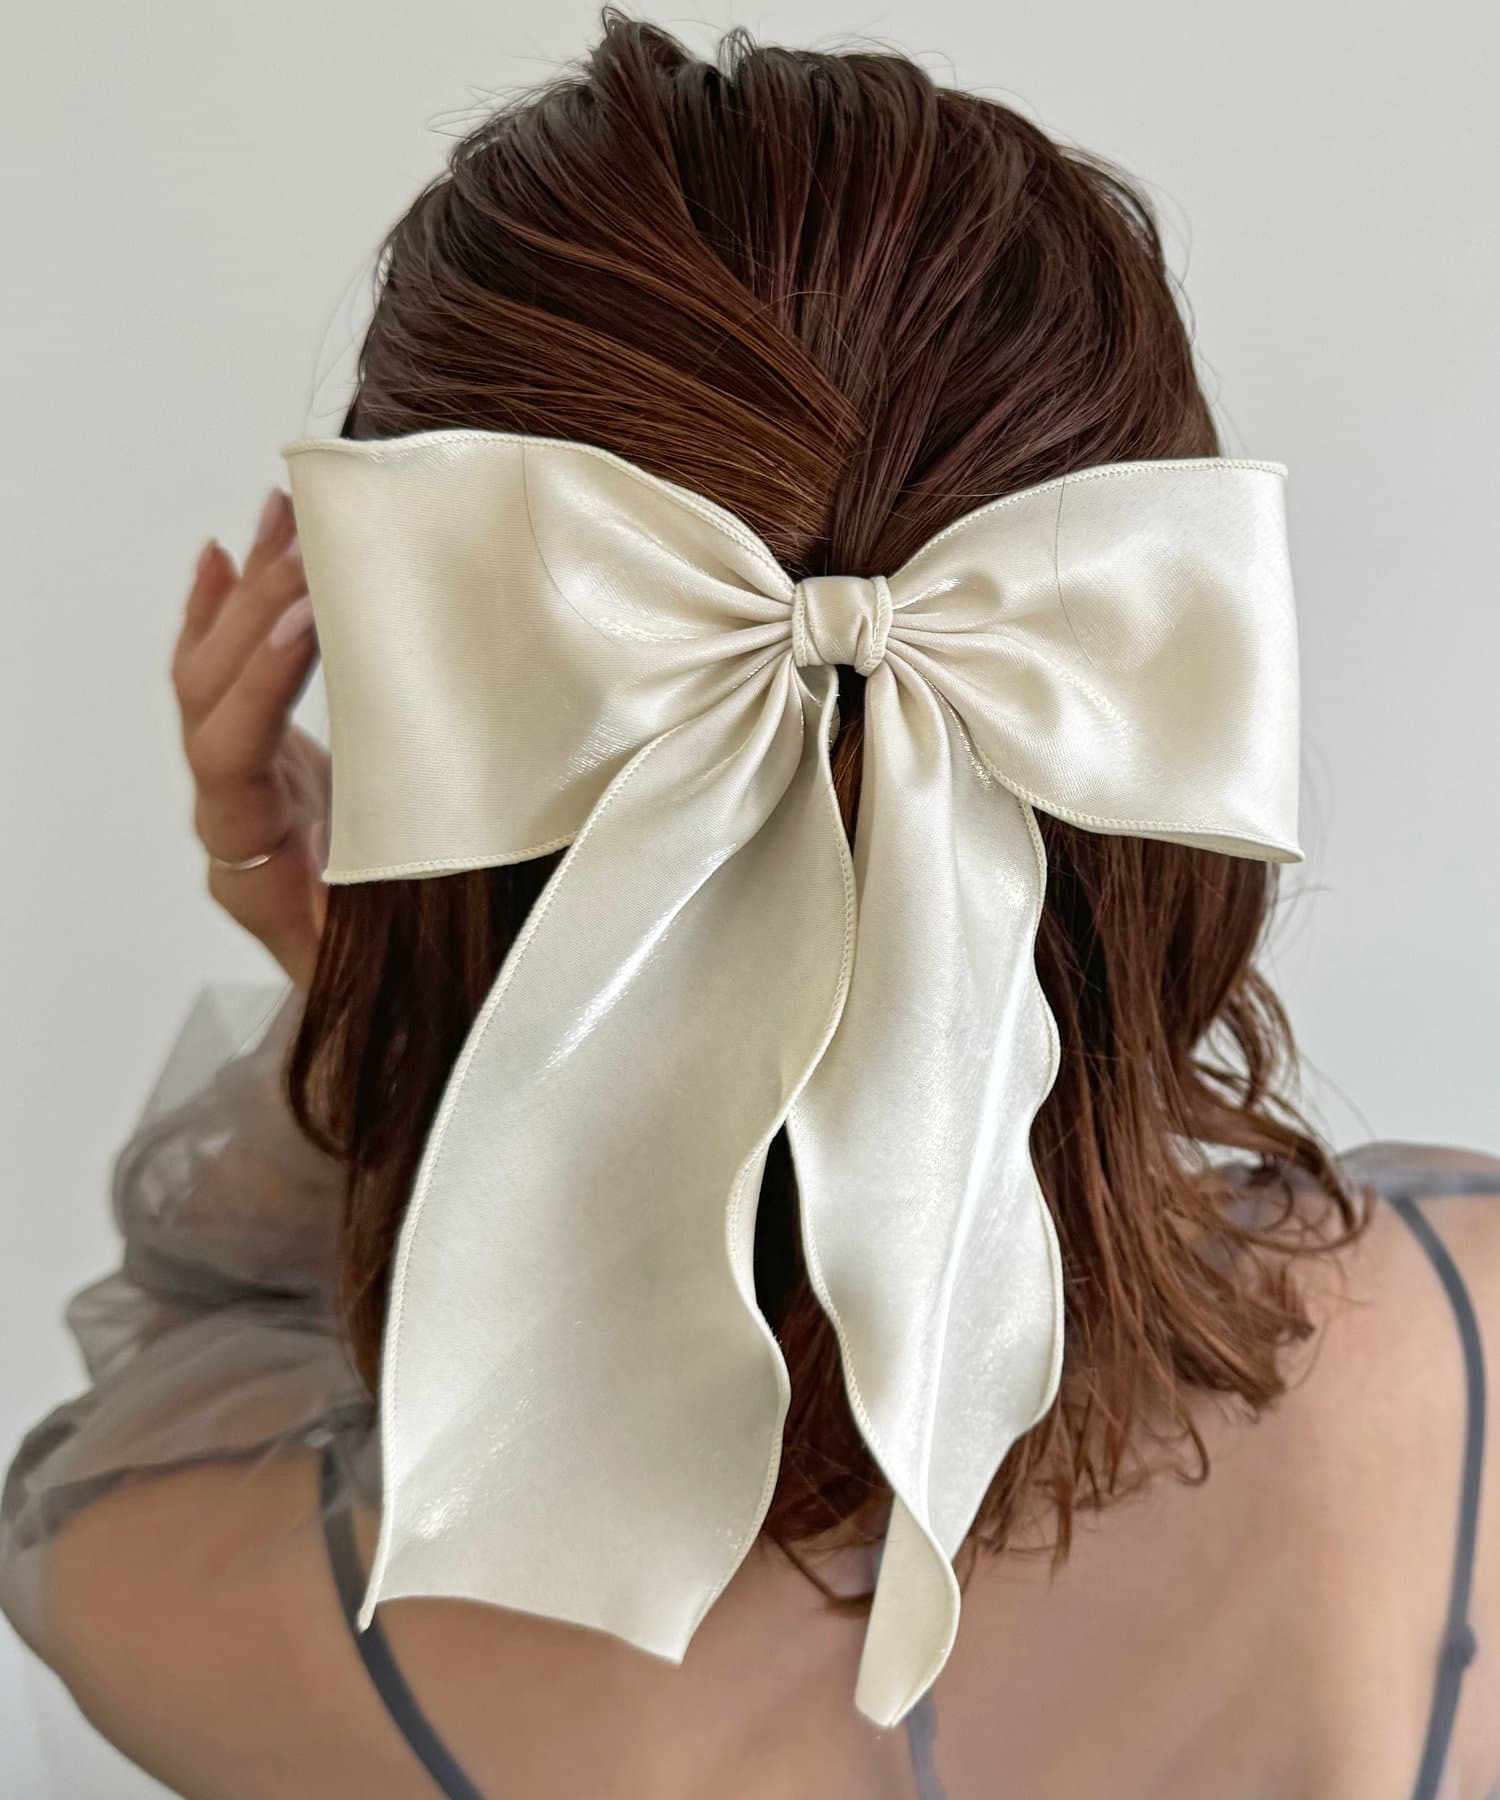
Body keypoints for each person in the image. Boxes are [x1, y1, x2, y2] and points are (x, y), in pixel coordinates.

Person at [4, 16, 1497, 1799]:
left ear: (437, 763)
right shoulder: (1472, 1337)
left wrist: (364, 984)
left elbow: (182, 1358)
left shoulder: (197, 1592)